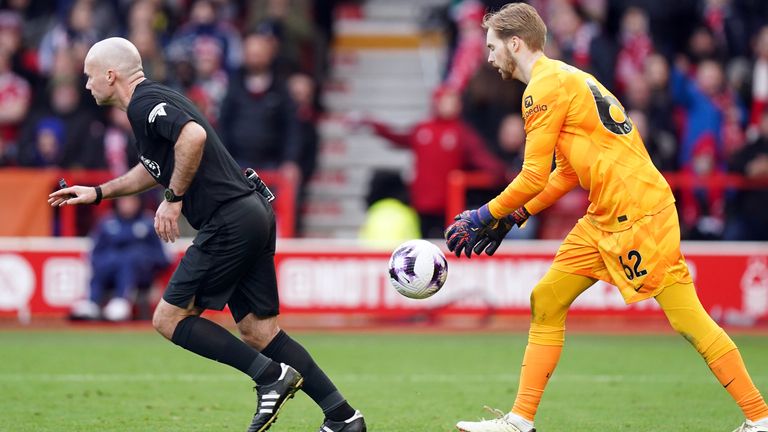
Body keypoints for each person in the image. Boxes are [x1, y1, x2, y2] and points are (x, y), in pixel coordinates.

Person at [444, 4, 768, 432]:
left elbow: (533, 174)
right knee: (547, 299)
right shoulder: (569, 78)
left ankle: (760, 417)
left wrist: (484, 214)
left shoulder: (541, 89)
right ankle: (519, 421)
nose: (488, 57)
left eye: (491, 47)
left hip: (638, 213)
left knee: (687, 317)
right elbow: (566, 173)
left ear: (515, 43)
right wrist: (515, 214)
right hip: (605, 214)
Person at [48, 37, 365, 432]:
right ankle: (343, 416)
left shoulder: (146, 104)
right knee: (258, 330)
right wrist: (98, 192)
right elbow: (154, 167)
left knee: (168, 318)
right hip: (251, 213)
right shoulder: (150, 102)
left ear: (110, 75)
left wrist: (174, 198)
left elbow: (192, 137)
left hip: (229, 219)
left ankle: (270, 377)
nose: (86, 84)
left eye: (89, 75)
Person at [70, 195, 170, 322]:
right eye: (124, 201)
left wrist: (144, 260)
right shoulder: (106, 222)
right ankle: (91, 302)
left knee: (128, 258)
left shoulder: (150, 222)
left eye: (131, 201)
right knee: (104, 260)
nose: (127, 205)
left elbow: (163, 257)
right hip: (110, 270)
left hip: (141, 272)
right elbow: (94, 252)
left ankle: (121, 302)